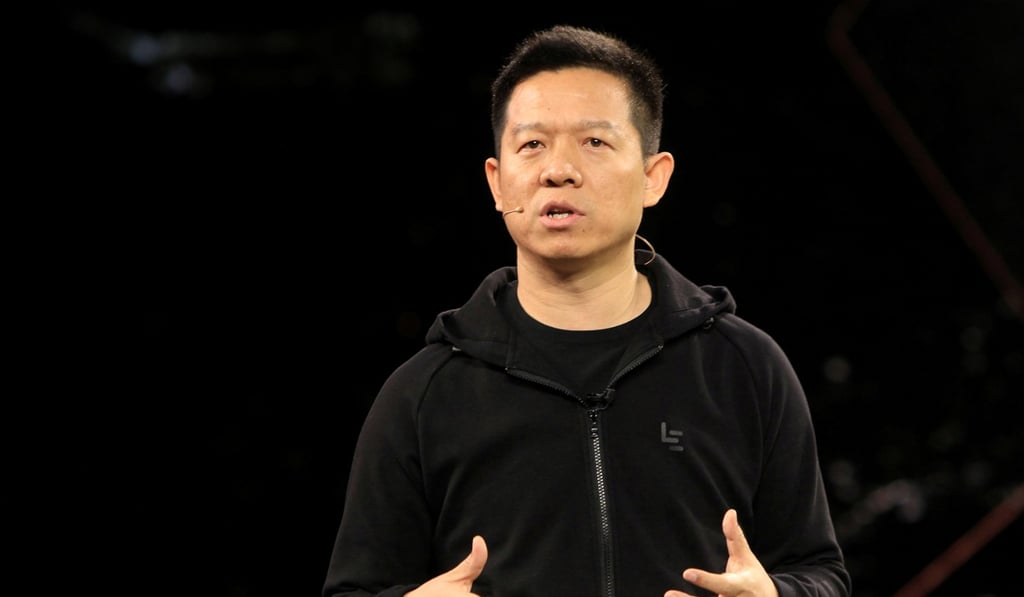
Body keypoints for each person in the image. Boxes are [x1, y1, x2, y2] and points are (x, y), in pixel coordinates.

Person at [322, 24, 851, 597]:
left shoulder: (744, 367)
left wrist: (777, 595)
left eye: (594, 142)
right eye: (531, 144)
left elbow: (821, 572)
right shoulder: (423, 394)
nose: (558, 170)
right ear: (497, 184)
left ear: (655, 177)